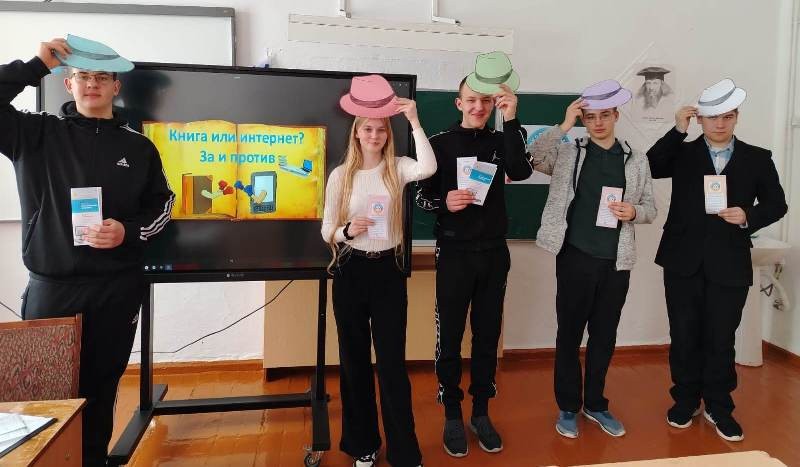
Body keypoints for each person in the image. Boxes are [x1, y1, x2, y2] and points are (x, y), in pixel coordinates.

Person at [0, 36, 174, 466]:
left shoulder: (139, 147)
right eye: (83, 76)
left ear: (117, 86)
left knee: (99, 392)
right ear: (68, 83)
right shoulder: (35, 133)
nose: (92, 84)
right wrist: (35, 65)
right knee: (42, 395)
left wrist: (127, 232)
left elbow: (163, 206)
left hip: (116, 290)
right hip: (52, 290)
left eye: (101, 77)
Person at [647, 78, 787, 442]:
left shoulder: (758, 158)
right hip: (682, 260)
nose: (720, 124)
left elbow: (777, 204)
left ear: (736, 117)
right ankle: (685, 401)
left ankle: (719, 407)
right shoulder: (682, 152)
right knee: (684, 334)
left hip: (730, 261)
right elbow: (652, 166)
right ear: (700, 119)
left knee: (721, 337)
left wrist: (748, 215)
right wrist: (677, 130)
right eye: (712, 118)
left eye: (728, 117)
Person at [415, 50, 532, 458]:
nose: (479, 107)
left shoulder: (503, 140)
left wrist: (511, 119)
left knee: (487, 336)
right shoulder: (439, 144)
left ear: (494, 103)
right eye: (471, 100)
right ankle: (452, 412)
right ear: (459, 103)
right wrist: (444, 203)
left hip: (494, 254)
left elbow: (521, 172)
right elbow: (420, 197)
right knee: (449, 336)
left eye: (486, 101)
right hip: (454, 254)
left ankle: (481, 412)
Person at [530, 80, 656, 439]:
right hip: (574, 256)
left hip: (616, 261)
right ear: (583, 119)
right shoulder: (569, 152)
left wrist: (635, 212)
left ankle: (596, 404)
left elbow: (651, 207)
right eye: (590, 117)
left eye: (604, 115)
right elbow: (533, 156)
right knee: (569, 335)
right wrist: (565, 124)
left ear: (616, 115)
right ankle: (568, 407)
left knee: (604, 335)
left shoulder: (636, 159)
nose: (597, 123)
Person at [321, 74, 436, 467]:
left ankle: (404, 453)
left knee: (391, 365)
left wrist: (414, 121)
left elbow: (429, 167)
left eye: (381, 129)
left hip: (388, 271)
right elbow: (326, 229)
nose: (374, 135)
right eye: (367, 129)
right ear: (356, 133)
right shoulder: (341, 176)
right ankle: (363, 445)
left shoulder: (398, 168)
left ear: (389, 134)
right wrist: (346, 230)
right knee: (353, 362)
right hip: (350, 271)